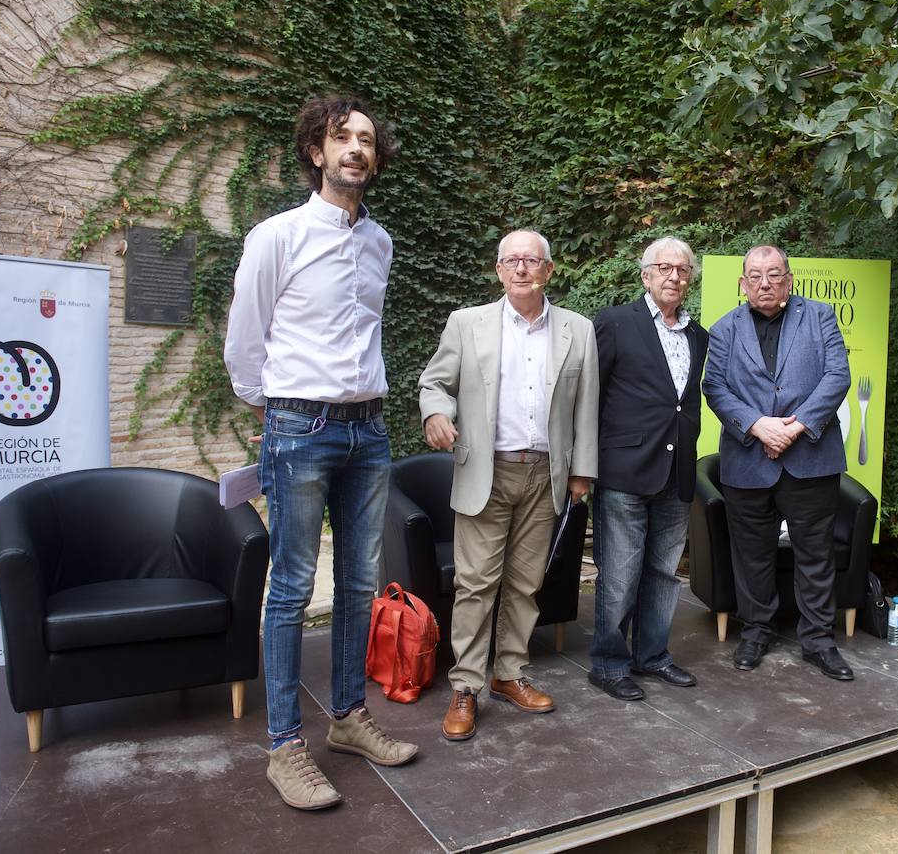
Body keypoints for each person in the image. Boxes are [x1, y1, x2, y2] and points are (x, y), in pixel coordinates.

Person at [224, 95, 417, 811]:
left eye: (366, 140)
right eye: (343, 139)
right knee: (293, 588)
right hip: (300, 427)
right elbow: (247, 331)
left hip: (369, 429)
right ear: (316, 151)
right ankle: (284, 746)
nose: (356, 150)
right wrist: (267, 402)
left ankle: (348, 719)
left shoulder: (382, 243)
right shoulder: (277, 235)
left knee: (361, 584)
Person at [418, 229, 598, 741]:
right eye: (511, 261)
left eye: (531, 260)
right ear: (498, 270)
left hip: (546, 474)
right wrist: (435, 413)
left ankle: (508, 673)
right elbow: (435, 382)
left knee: (526, 583)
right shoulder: (467, 324)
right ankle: (465, 686)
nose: (521, 269)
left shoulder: (577, 330)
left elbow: (588, 406)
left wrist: (581, 472)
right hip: (485, 471)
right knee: (475, 584)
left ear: (548, 270)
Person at [702, 245, 854, 680]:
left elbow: (837, 376)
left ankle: (819, 641)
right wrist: (755, 426)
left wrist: (795, 426)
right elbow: (714, 387)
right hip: (748, 459)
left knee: (815, 553)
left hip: (810, 457)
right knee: (751, 554)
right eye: (755, 276)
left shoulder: (820, 316)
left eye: (773, 275)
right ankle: (756, 631)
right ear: (742, 283)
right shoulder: (724, 329)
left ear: (789, 279)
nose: (764, 283)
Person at [587, 237, 710, 701]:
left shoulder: (699, 336)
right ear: (646, 275)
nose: (674, 276)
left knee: (662, 572)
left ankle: (652, 655)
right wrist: (586, 464)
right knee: (619, 573)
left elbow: (685, 402)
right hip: (624, 470)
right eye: (664, 268)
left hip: (677, 471)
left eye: (682, 270)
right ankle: (609, 664)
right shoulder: (617, 322)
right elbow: (590, 397)